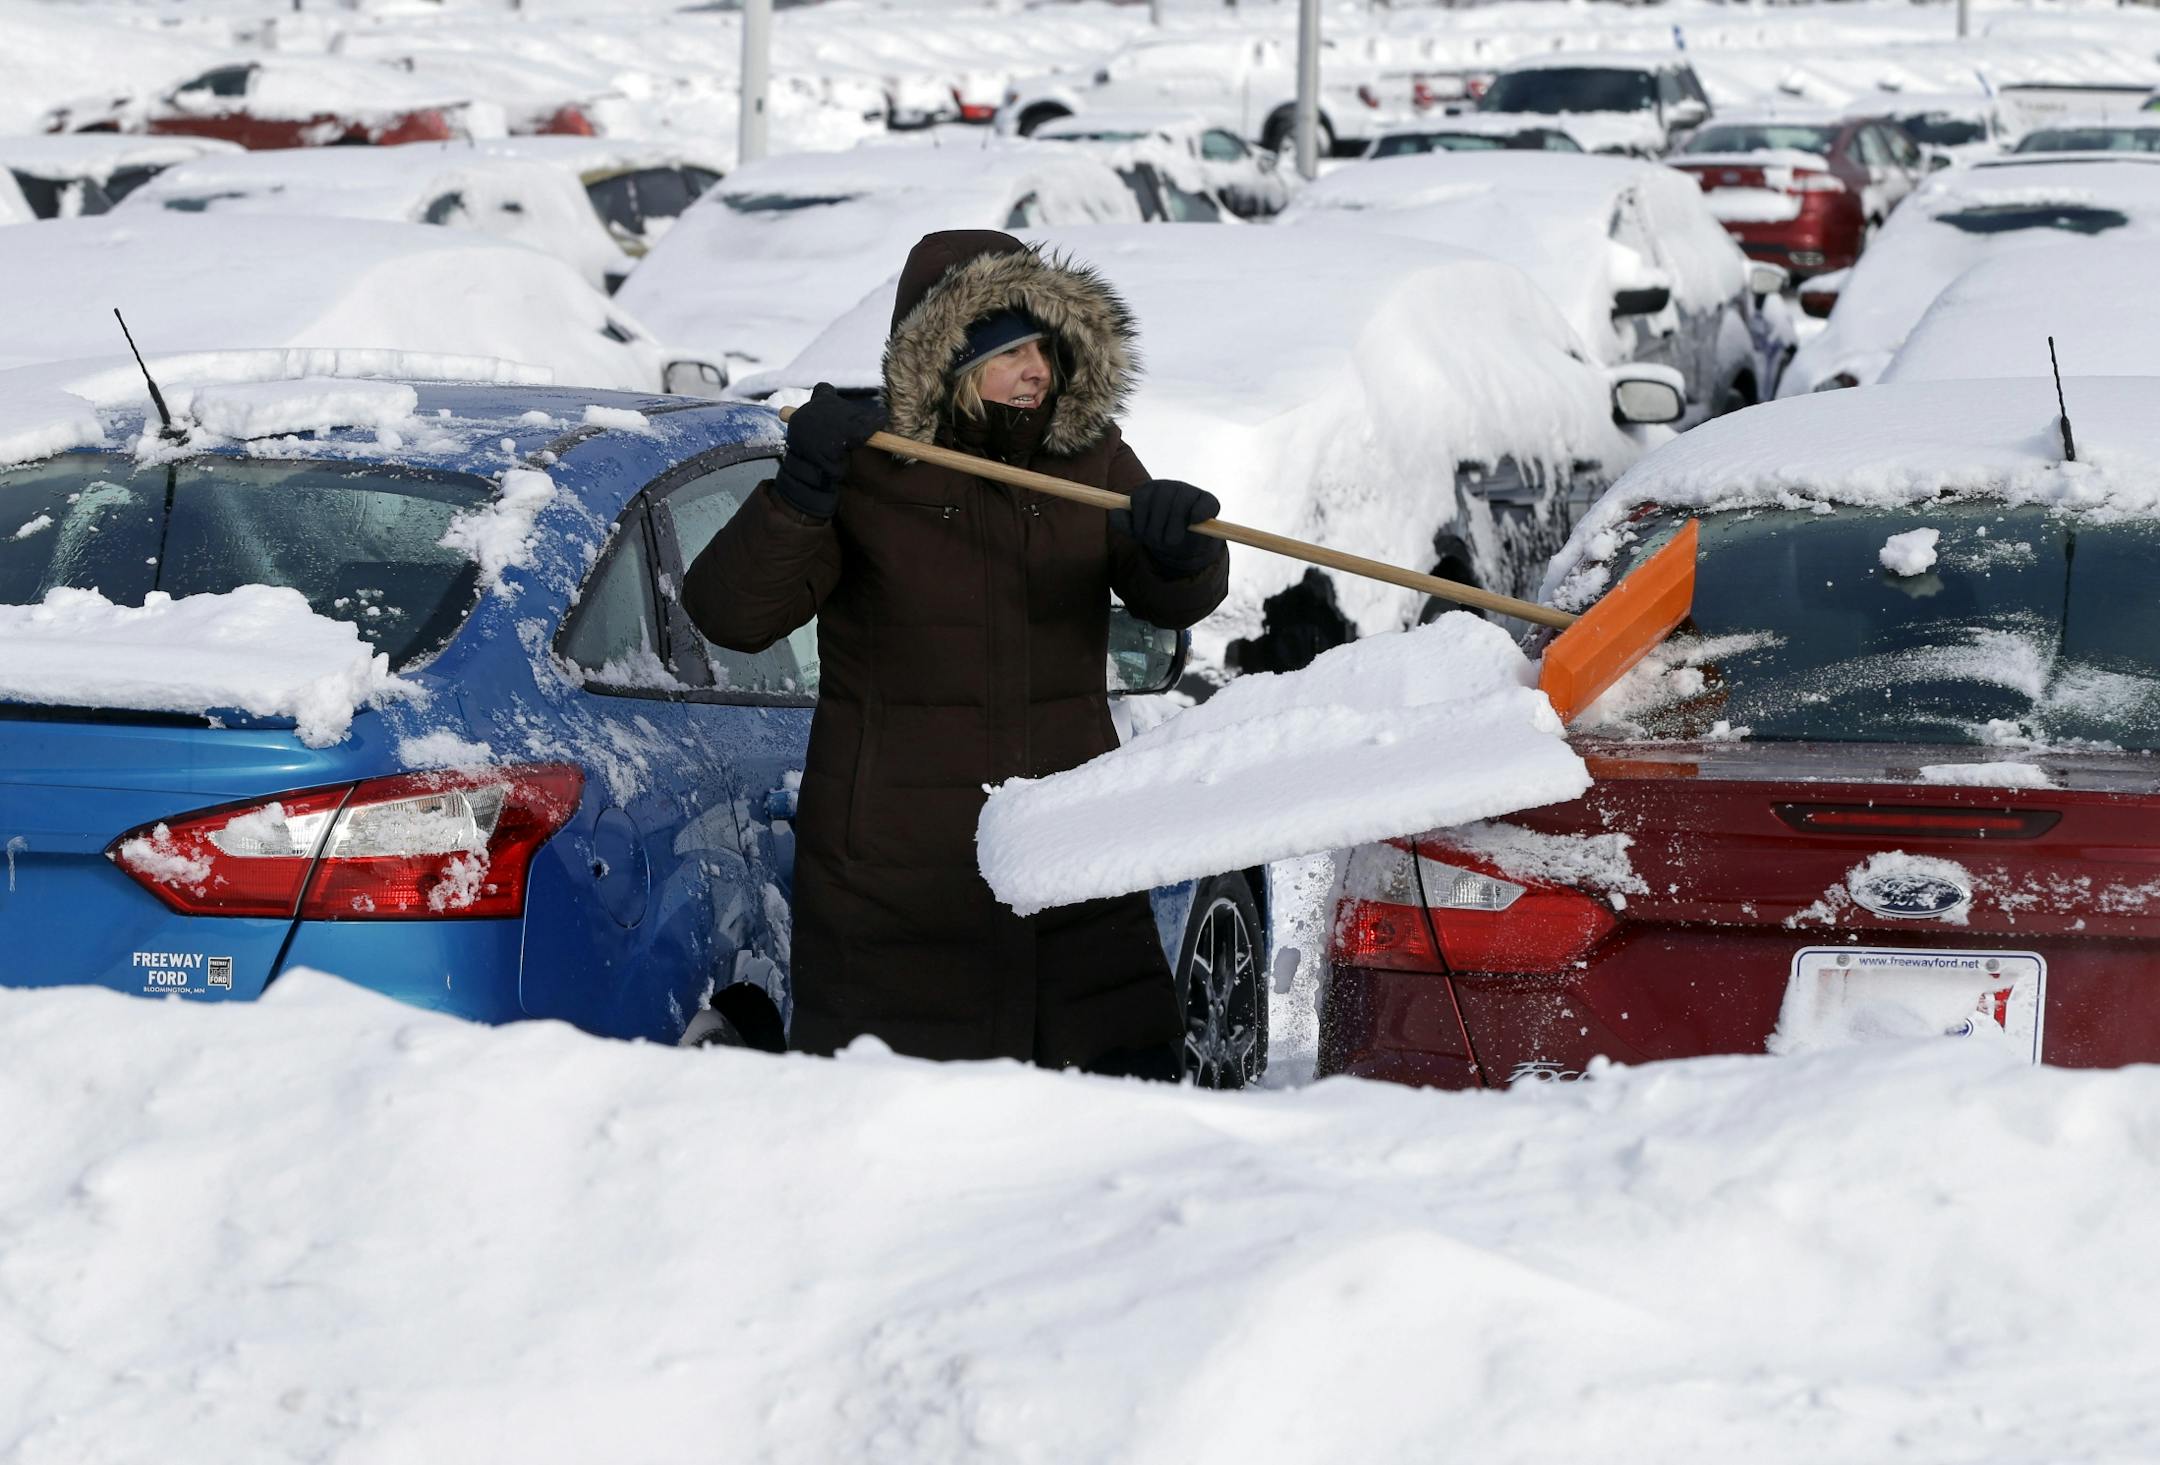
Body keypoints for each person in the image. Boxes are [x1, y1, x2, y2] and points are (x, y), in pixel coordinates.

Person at [682, 229, 1229, 1078]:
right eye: (1009, 351)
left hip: (1072, 866)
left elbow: (1172, 598)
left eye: (1043, 345)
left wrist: (1182, 546)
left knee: (1106, 1137)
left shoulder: (1087, 460)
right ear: (945, 359)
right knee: (914, 1147)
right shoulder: (872, 471)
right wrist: (799, 495)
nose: (1037, 370)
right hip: (899, 885)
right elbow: (731, 614)